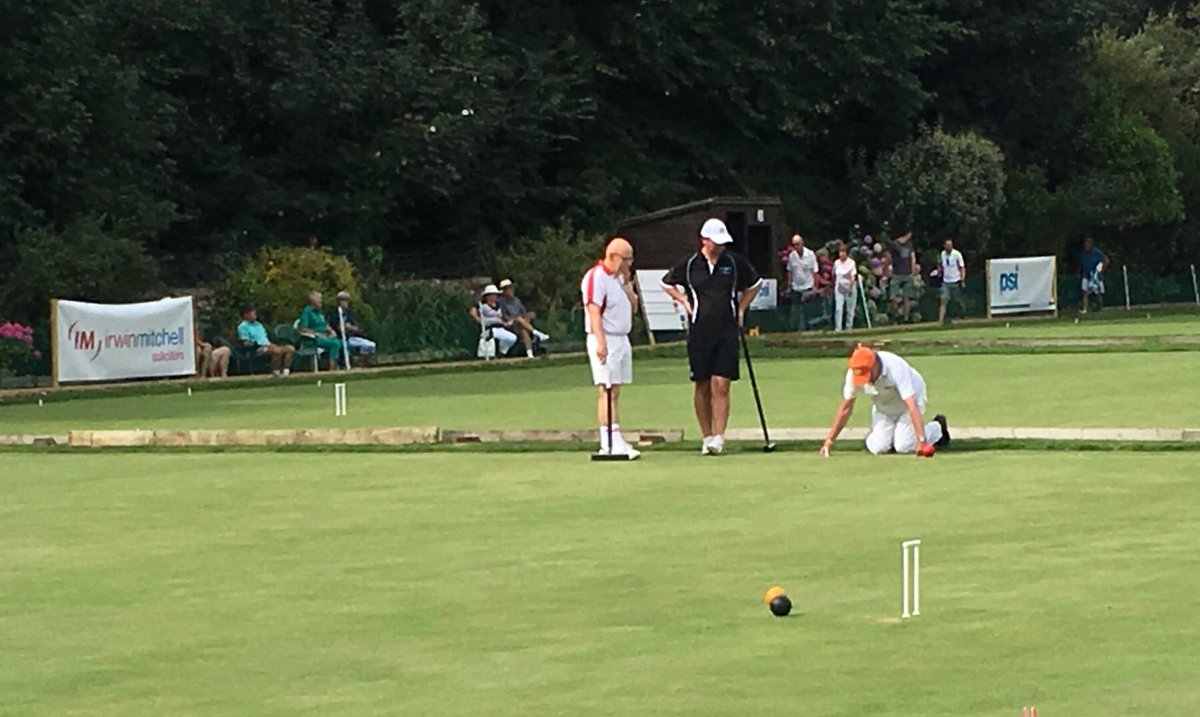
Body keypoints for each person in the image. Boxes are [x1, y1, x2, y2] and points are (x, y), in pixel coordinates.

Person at [661, 217, 762, 456]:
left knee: (722, 383)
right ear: (704, 240)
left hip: (727, 328)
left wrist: (741, 308)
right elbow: (666, 283)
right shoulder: (689, 265)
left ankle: (719, 436)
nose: (721, 246)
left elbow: (755, 284)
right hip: (699, 330)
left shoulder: (734, 263)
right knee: (702, 384)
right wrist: (684, 301)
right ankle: (706, 436)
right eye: (716, 242)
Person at [820, 345, 949, 457]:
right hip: (883, 406)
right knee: (877, 448)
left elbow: (912, 405)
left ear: (875, 365)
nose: (865, 380)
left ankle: (937, 427)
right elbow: (846, 407)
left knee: (904, 446)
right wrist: (830, 440)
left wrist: (922, 441)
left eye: (866, 374)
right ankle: (893, 437)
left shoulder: (895, 367)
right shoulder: (854, 373)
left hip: (908, 403)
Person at [581, 237, 639, 458]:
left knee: (615, 389)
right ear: (614, 257)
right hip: (605, 337)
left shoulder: (618, 279)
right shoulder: (596, 277)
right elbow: (593, 311)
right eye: (627, 259)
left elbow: (633, 308)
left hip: (621, 338)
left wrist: (627, 286)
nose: (629, 263)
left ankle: (616, 437)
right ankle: (608, 442)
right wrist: (601, 342)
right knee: (606, 389)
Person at [236, 306, 295, 377]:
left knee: (290, 348)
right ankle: (276, 372)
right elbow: (246, 342)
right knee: (277, 351)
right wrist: (260, 344)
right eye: (253, 314)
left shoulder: (258, 324)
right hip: (257, 348)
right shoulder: (243, 327)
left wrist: (271, 344)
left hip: (269, 344)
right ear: (246, 315)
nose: (255, 316)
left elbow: (265, 338)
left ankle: (286, 372)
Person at [497, 279, 550, 358]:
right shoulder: (500, 302)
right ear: (504, 290)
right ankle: (536, 333)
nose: (511, 290)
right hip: (508, 324)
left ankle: (529, 353)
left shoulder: (516, 300)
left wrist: (528, 315)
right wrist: (517, 318)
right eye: (508, 288)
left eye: (511, 288)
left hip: (520, 323)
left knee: (523, 328)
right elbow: (504, 317)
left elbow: (523, 313)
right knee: (519, 320)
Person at [297, 291, 344, 371]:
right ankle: (332, 368)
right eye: (319, 298)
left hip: (325, 337)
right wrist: (316, 334)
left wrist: (331, 330)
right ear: (312, 300)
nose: (321, 300)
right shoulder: (307, 311)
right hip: (313, 339)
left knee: (342, 343)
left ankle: (342, 365)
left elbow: (325, 325)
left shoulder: (319, 312)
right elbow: (302, 328)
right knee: (335, 343)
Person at [469, 285, 520, 356]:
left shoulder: (498, 305)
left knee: (512, 338)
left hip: (500, 327)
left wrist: (505, 322)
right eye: (493, 295)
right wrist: (480, 321)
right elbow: (472, 312)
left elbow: (501, 316)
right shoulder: (482, 305)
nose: (495, 296)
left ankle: (502, 352)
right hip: (490, 327)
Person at [327, 291, 376, 362]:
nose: (345, 302)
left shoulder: (350, 313)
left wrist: (351, 327)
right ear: (338, 302)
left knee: (370, 345)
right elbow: (335, 327)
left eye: (346, 300)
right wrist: (342, 327)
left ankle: (362, 365)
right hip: (339, 339)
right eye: (343, 300)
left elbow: (357, 328)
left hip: (351, 338)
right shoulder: (333, 314)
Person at [786, 234, 819, 331]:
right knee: (796, 309)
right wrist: (789, 285)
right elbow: (790, 271)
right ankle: (798, 329)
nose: (796, 247)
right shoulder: (792, 256)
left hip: (808, 286)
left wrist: (815, 286)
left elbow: (815, 271)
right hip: (796, 287)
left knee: (807, 310)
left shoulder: (810, 254)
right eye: (794, 245)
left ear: (802, 243)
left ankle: (808, 328)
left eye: (797, 244)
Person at [887, 229, 919, 323]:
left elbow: (913, 258)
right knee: (894, 297)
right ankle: (897, 316)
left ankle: (904, 318)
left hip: (905, 273)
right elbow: (889, 258)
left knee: (906, 297)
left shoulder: (909, 244)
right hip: (897, 273)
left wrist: (912, 272)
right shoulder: (894, 244)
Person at [936, 237, 966, 325]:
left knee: (958, 300)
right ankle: (940, 320)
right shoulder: (942, 254)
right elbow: (941, 265)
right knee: (943, 300)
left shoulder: (957, 254)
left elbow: (962, 267)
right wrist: (938, 272)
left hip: (955, 280)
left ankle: (962, 314)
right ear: (944, 246)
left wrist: (962, 279)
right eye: (947, 245)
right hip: (946, 281)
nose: (949, 247)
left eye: (950, 245)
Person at [1080, 238, 1109, 314]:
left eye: (1087, 245)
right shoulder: (1083, 253)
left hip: (1096, 276)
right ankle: (1085, 308)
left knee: (1098, 292)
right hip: (1086, 275)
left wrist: (1101, 270)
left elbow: (1106, 261)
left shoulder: (1097, 252)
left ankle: (1099, 309)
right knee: (1085, 291)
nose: (1086, 247)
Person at [833, 243, 858, 332]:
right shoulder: (836, 263)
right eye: (840, 252)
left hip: (850, 288)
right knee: (838, 309)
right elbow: (834, 275)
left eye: (844, 252)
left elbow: (853, 276)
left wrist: (850, 288)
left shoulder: (851, 263)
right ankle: (838, 329)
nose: (842, 254)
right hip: (839, 288)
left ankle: (849, 328)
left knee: (850, 310)